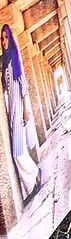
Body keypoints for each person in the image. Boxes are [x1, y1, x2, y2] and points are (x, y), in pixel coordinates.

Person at [1, 25, 39, 202]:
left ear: (11, 39)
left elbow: (23, 86)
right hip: (11, 109)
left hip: (19, 108)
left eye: (6, 37)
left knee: (18, 152)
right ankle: (33, 178)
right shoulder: (4, 61)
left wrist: (25, 110)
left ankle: (33, 178)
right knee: (18, 150)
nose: (4, 41)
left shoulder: (15, 57)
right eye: (2, 38)